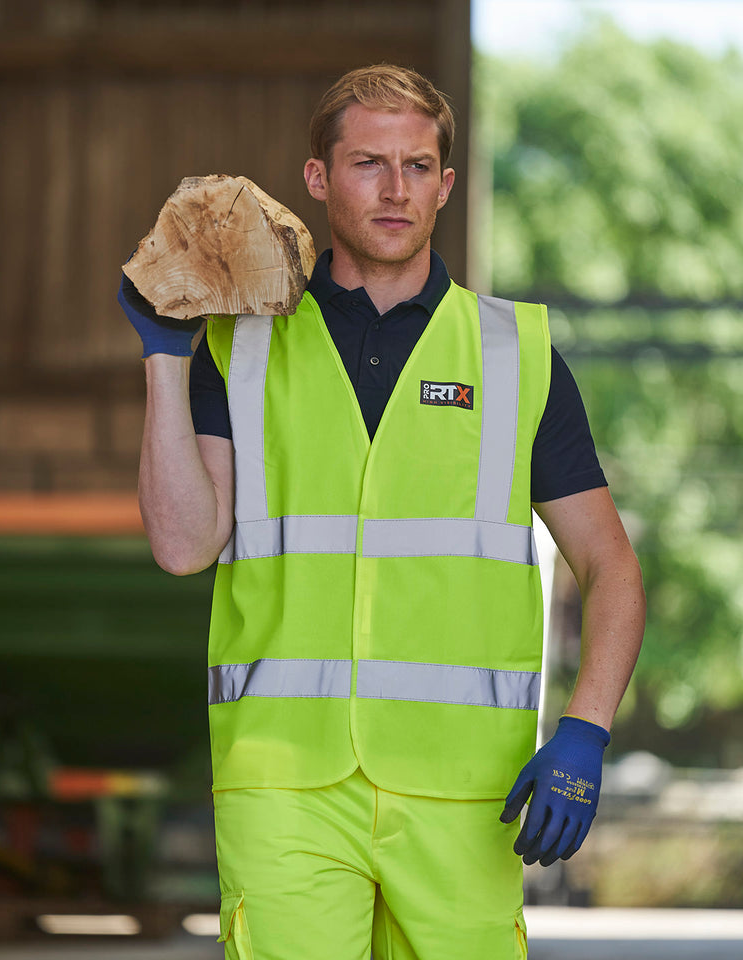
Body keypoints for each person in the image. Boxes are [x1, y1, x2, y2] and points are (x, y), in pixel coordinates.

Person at [119, 64, 645, 960]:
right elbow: (182, 546)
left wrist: (587, 732)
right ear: (318, 179)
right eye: (369, 163)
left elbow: (611, 567)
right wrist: (165, 361)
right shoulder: (237, 351)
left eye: (418, 165)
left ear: (446, 183)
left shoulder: (517, 354)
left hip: (466, 793)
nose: (396, 189)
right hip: (282, 784)